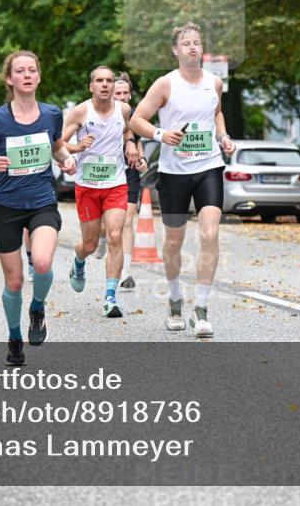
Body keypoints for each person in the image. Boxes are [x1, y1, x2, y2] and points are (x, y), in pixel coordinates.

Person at [130, 22, 237, 338]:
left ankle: (201, 310)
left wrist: (223, 135)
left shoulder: (214, 83)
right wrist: (162, 134)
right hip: (174, 173)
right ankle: (175, 298)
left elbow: (216, 112)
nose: (193, 47)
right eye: (186, 43)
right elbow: (137, 119)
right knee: (174, 242)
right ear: (176, 50)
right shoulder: (165, 84)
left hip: (208, 168)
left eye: (197, 43)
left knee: (209, 233)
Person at [0, 50, 77, 366]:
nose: (27, 75)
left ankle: (38, 307)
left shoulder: (51, 114)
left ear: (38, 76)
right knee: (14, 282)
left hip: (42, 201)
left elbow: (57, 147)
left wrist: (68, 160)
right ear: (10, 78)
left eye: (32, 70)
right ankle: (15, 336)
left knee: (42, 262)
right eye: (20, 71)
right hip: (7, 205)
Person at [62, 66, 140, 318]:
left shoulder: (124, 110)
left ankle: (110, 298)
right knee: (90, 243)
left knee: (115, 235)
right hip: (87, 186)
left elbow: (128, 130)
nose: (105, 85)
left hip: (115, 183)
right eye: (100, 81)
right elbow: (59, 143)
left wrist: (130, 143)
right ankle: (79, 261)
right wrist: (76, 148)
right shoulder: (80, 111)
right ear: (92, 86)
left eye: (108, 80)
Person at [113, 73, 148, 290]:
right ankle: (101, 241)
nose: (123, 97)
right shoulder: (100, 114)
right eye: (119, 93)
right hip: (105, 173)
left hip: (129, 172)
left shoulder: (135, 117)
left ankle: (126, 271)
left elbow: (138, 141)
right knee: (106, 227)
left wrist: (142, 160)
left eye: (126, 93)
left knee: (126, 221)